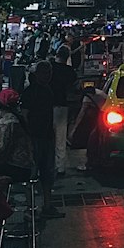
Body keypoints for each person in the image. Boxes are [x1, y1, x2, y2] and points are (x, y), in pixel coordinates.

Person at [20, 62, 60, 218]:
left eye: (49, 72)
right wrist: (27, 137)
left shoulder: (48, 91)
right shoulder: (30, 92)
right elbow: (24, 114)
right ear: (37, 74)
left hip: (47, 137)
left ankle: (47, 205)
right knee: (32, 174)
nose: (47, 76)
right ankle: (30, 208)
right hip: (34, 138)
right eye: (44, 72)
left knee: (47, 173)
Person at [0, 89, 33, 184]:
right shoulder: (18, 118)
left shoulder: (6, 122)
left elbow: (0, 150)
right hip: (26, 167)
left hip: (15, 168)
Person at [49, 46, 76, 176]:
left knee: (47, 137)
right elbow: (73, 89)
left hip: (47, 105)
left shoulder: (50, 67)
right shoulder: (70, 72)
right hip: (62, 106)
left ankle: (47, 164)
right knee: (60, 137)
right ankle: (60, 167)